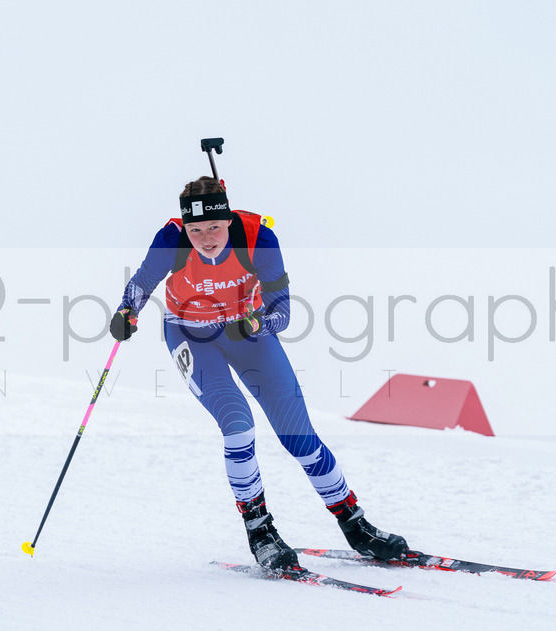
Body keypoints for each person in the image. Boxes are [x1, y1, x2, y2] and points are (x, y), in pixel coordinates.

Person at [110, 175, 408, 571]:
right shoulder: (171, 239)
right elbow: (142, 284)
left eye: (214, 227)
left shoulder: (259, 238)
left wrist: (257, 324)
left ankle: (356, 526)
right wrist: (126, 312)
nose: (205, 238)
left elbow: (281, 308)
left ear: (229, 219)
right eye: (196, 230)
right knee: (238, 424)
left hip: (246, 334)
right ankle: (261, 532)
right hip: (190, 336)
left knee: (300, 437)